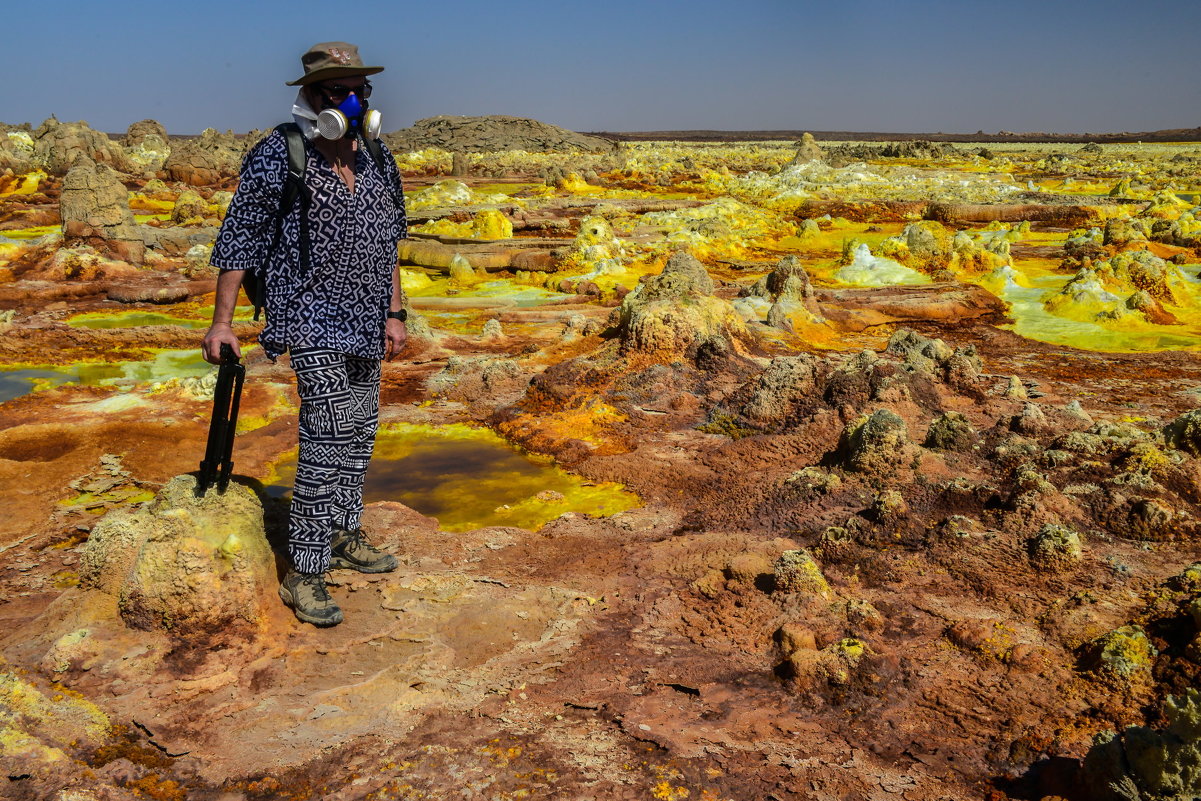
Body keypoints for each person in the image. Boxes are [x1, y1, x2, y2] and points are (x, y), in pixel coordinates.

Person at [201, 41, 409, 627]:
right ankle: (305, 569)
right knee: (329, 431)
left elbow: (389, 237)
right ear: (311, 96)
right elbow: (240, 238)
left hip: (368, 316)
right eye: (338, 89)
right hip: (309, 315)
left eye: (360, 88)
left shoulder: (375, 154)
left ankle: (343, 531)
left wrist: (395, 311)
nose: (353, 97)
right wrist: (222, 322)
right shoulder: (281, 153)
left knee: (361, 430)